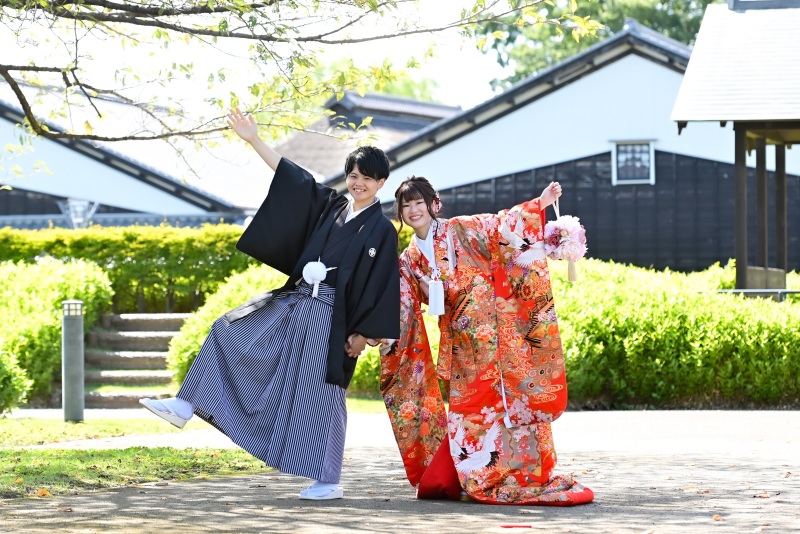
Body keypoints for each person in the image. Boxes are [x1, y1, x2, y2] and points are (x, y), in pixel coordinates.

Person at [140, 108, 400, 501]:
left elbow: (381, 285)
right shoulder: (332, 207)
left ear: (381, 182)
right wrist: (253, 139)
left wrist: (363, 335)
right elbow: (294, 181)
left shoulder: (381, 229)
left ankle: (328, 478)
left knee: (322, 395)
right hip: (297, 301)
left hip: (333, 318)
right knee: (229, 328)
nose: (357, 183)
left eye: (366, 178)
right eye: (353, 175)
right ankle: (185, 403)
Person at [380, 176, 593, 505]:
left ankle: (526, 473)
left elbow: (502, 226)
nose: (413, 210)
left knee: (514, 402)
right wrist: (377, 329)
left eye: (418, 203)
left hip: (496, 334)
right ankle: (479, 474)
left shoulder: (460, 229)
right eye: (406, 206)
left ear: (434, 205)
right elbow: (401, 302)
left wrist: (541, 203)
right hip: (461, 347)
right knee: (470, 413)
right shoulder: (409, 259)